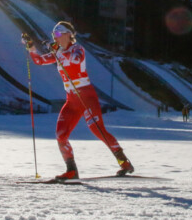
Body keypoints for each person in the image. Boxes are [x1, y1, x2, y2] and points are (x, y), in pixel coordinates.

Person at [23, 21, 134, 180]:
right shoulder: (58, 51)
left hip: (86, 97)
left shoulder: (77, 49)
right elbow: (39, 61)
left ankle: (124, 162)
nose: (56, 37)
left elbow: (74, 60)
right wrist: (31, 48)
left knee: (98, 130)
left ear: (69, 35)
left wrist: (57, 51)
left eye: (59, 34)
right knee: (61, 134)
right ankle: (71, 170)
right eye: (54, 35)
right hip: (72, 100)